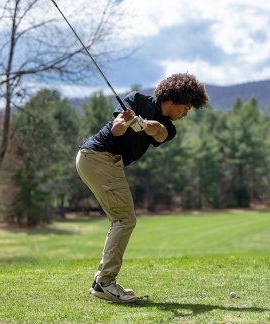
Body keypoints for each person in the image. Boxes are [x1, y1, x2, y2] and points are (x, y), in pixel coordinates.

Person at [75, 72, 209, 303]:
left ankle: (102, 282)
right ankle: (105, 283)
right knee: (124, 220)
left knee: (122, 219)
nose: (186, 114)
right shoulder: (136, 100)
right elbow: (117, 129)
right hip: (98, 157)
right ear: (172, 100)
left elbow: (158, 131)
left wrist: (143, 123)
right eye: (185, 108)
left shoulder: (169, 127)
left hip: (100, 161)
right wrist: (126, 121)